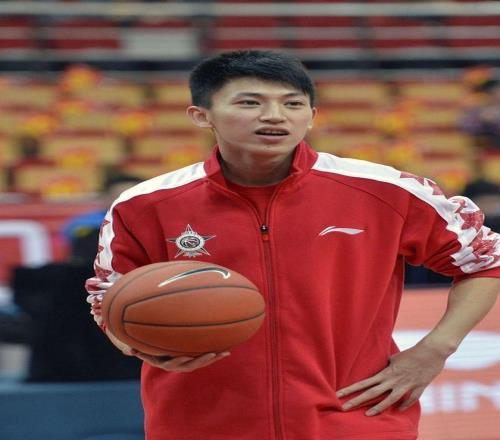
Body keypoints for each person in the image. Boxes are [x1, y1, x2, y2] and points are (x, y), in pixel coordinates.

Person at [85, 50, 500, 440]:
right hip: (198, 423)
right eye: (249, 103)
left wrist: (434, 350)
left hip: (355, 419)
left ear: (312, 116)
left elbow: (486, 261)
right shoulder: (144, 205)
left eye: (293, 104)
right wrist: (140, 344)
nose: (274, 116)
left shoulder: (387, 190)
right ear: (201, 115)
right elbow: (107, 298)